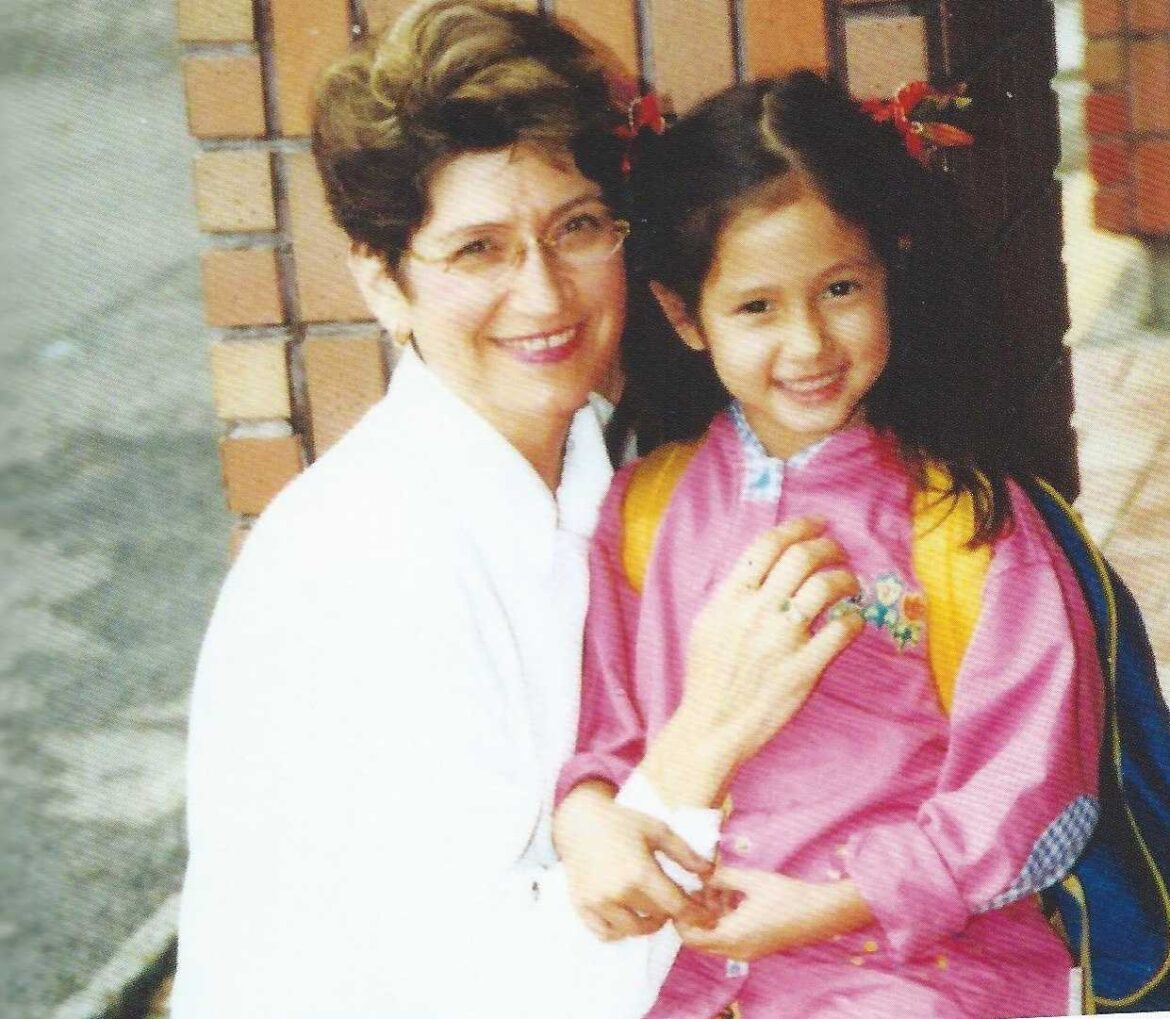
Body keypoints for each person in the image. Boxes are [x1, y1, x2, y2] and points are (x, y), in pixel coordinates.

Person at [169, 5, 855, 1016]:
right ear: (380, 276)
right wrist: (706, 735)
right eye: (479, 250)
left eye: (575, 227)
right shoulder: (361, 562)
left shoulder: (600, 471)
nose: (545, 295)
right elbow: (497, 988)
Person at [556, 72, 1104, 1018]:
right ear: (685, 316)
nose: (808, 342)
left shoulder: (964, 519)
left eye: (840, 289)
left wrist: (837, 903)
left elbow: (1036, 789)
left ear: (891, 269)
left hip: (918, 970)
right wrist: (587, 819)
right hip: (690, 975)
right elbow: (604, 738)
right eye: (756, 308)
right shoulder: (643, 511)